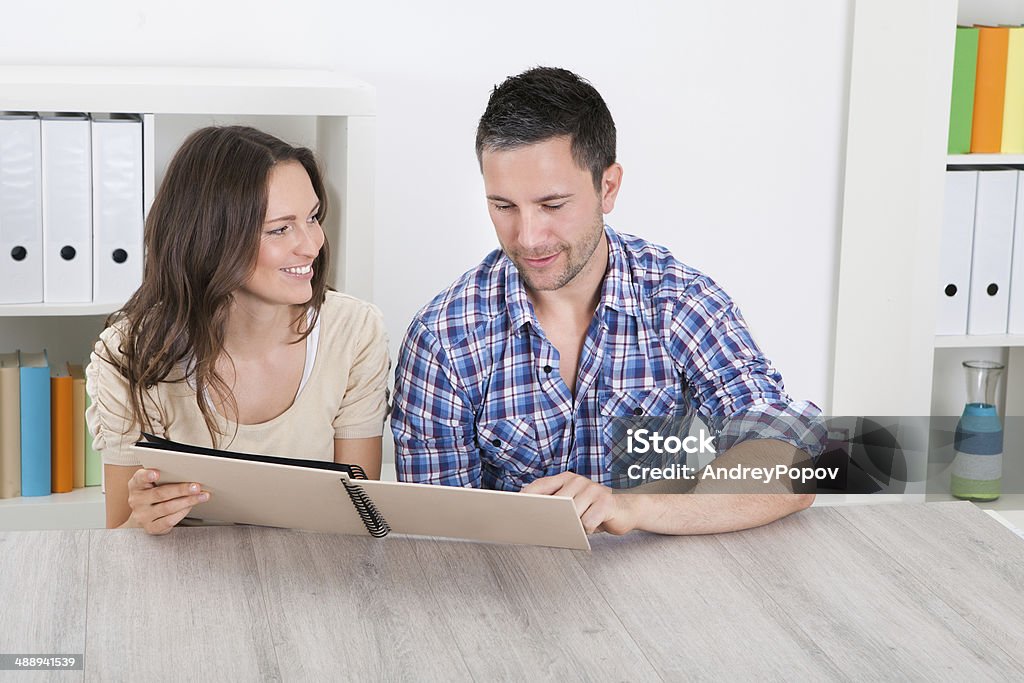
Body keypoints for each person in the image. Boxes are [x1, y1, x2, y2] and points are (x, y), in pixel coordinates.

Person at [391, 67, 827, 535]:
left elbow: (800, 461)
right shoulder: (444, 338)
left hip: (661, 582)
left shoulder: (678, 301)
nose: (528, 236)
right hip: (511, 594)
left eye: (553, 205)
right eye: (503, 206)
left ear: (609, 188)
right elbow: (437, 536)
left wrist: (631, 509)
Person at [87, 126, 389, 534]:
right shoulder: (129, 355)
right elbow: (120, 543)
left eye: (313, 217)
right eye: (281, 228)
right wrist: (142, 522)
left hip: (316, 578)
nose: (311, 244)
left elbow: (360, 522)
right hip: (185, 582)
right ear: (212, 238)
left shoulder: (353, 332)